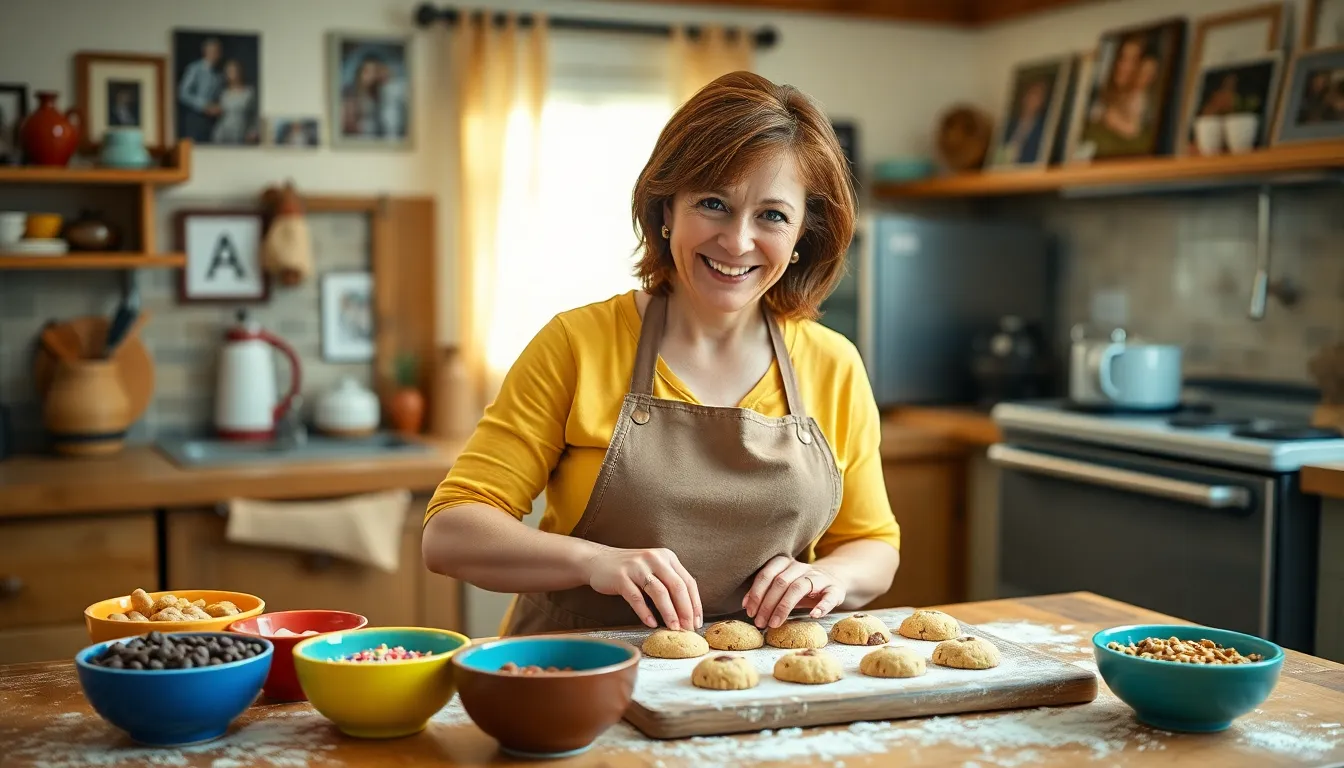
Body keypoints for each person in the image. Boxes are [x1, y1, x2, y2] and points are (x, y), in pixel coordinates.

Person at [422, 71, 901, 636]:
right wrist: (594, 561)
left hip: (765, 680)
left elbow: (873, 545)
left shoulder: (832, 363)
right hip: (574, 676)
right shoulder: (578, 344)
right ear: (666, 207)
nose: (738, 241)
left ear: (801, 238)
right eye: (714, 203)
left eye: (771, 215)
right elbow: (450, 532)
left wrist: (833, 577)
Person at [177, 37, 223, 142]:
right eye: (213, 51)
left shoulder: (219, 75)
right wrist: (204, 105)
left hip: (212, 121)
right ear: (205, 51)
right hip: (194, 117)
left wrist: (216, 107)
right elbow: (182, 93)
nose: (216, 55)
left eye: (218, 52)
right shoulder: (194, 69)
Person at [211, 60, 257, 145]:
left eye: (234, 71)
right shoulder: (223, 93)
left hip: (241, 131)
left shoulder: (249, 93)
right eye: (229, 71)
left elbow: (254, 115)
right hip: (223, 132)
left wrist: (253, 131)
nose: (232, 74)